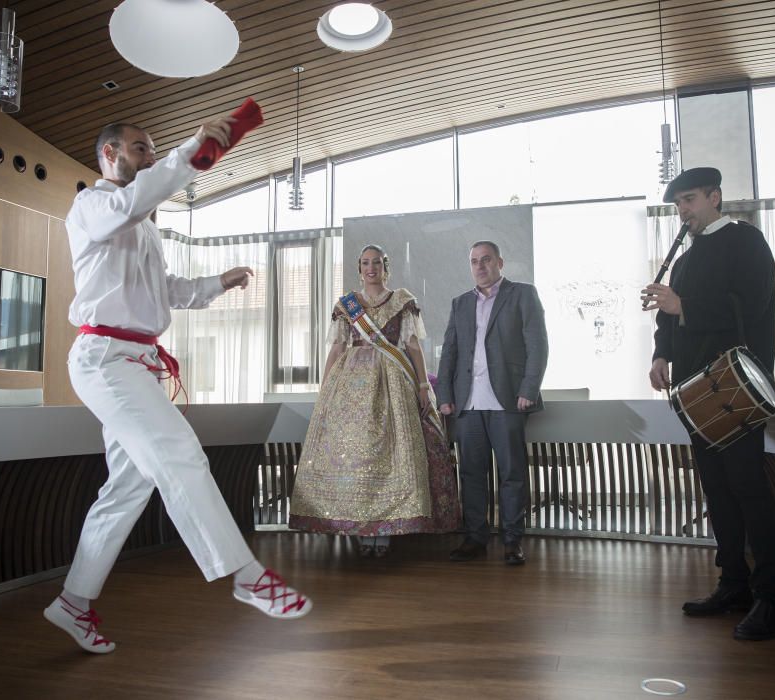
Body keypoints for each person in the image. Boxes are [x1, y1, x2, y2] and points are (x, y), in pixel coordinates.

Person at [44, 117, 311, 655]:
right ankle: (243, 573)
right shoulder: (93, 206)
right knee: (179, 452)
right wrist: (193, 151)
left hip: (135, 362)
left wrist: (219, 281)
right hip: (104, 358)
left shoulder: (142, 224)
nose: (149, 154)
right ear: (110, 152)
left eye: (153, 149)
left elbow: (166, 290)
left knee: (127, 489)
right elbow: (133, 201)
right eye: (141, 148)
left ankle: (73, 602)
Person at [643, 167, 775, 641]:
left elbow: (752, 304)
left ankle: (772, 600)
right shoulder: (685, 259)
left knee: (749, 488)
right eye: (678, 204)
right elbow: (668, 316)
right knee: (718, 491)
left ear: (715, 197)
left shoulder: (746, 242)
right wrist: (661, 352)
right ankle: (734, 585)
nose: (683, 211)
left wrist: (682, 307)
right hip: (694, 391)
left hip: (735, 388)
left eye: (689, 200)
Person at [288, 245, 460, 556]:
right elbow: (337, 349)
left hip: (393, 383)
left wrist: (423, 384)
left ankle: (386, 532)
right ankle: (362, 532)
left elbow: (412, 346)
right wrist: (324, 389)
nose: (371, 268)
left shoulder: (401, 301)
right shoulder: (347, 306)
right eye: (366, 263)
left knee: (390, 453)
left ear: (385, 267)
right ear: (359, 268)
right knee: (355, 456)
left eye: (377, 263)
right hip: (349, 388)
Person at [437, 241, 549, 566]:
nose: (480, 266)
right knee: (471, 474)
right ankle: (475, 538)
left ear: (500, 261)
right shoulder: (460, 303)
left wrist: (529, 387)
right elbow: (450, 353)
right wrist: (445, 396)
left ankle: (513, 541)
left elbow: (537, 345)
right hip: (467, 405)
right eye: (474, 261)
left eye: (486, 260)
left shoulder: (523, 295)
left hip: (509, 399)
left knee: (512, 473)